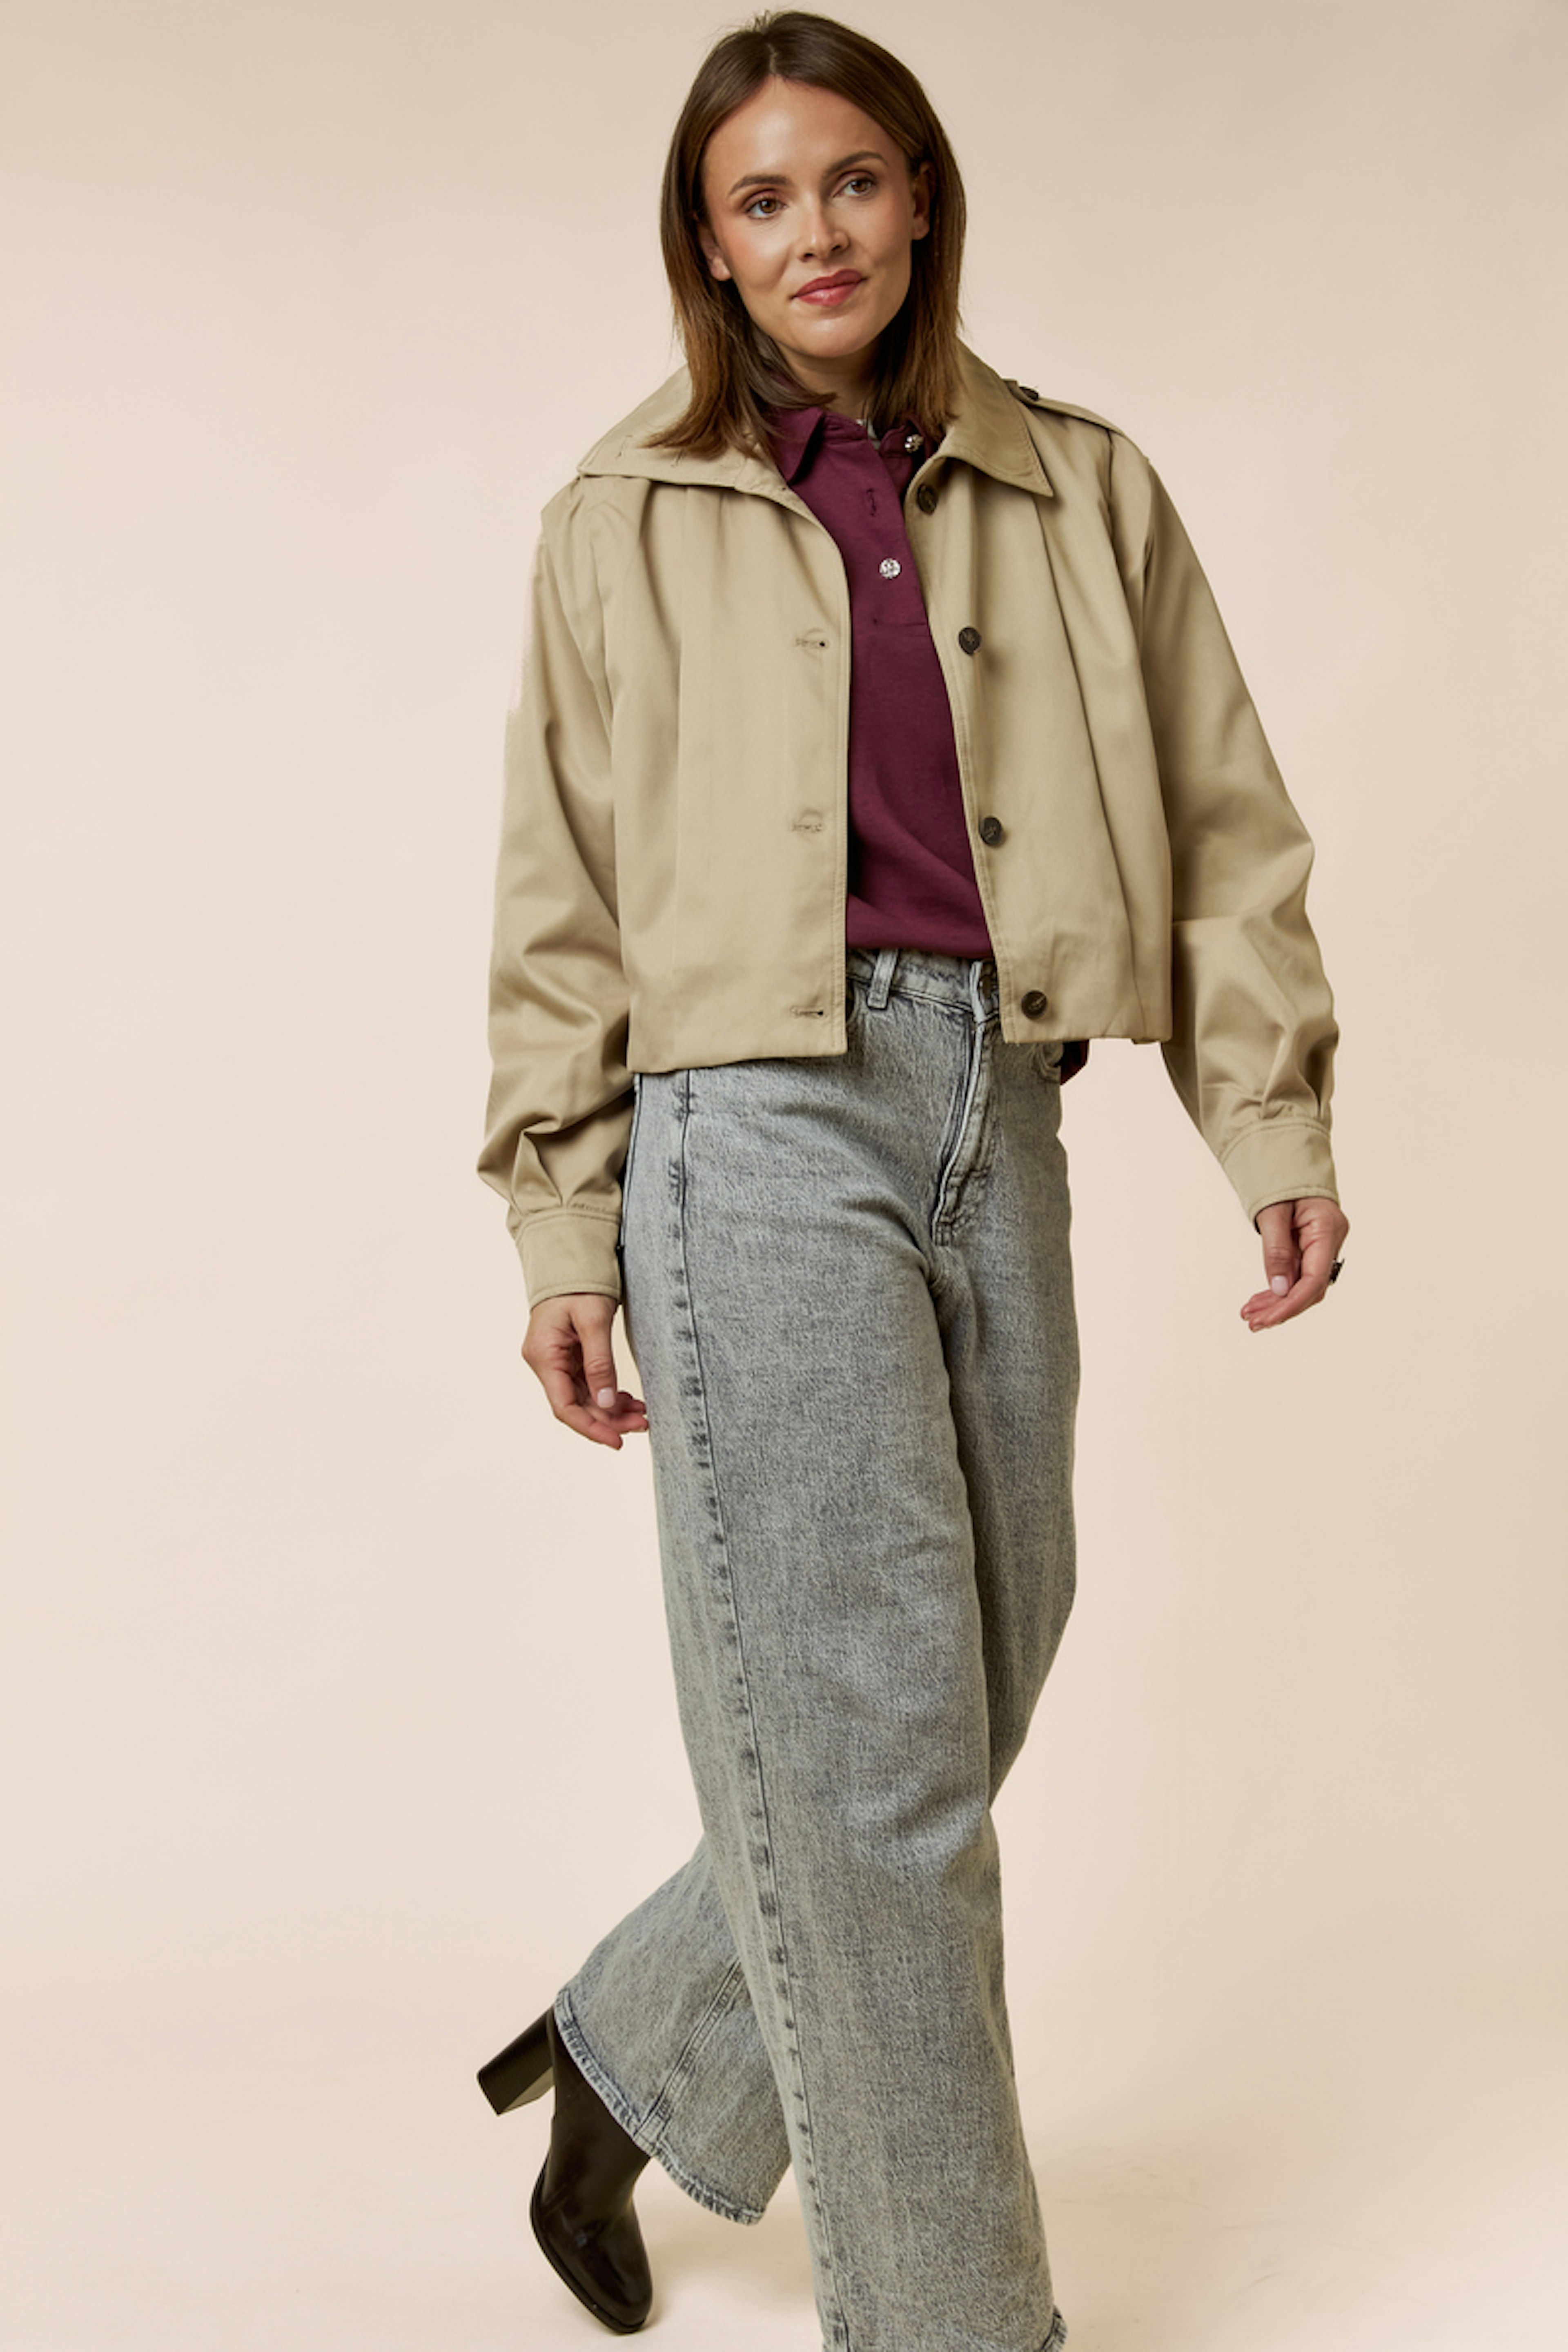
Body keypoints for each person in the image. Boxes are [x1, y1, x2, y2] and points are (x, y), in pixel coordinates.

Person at [473, 11, 1350, 2348]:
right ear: (709, 249)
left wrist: (1266, 1113)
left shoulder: (1083, 486)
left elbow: (1228, 817)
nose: (815, 233)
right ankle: (957, 2318)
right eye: (760, 201)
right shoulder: (621, 515)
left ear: (924, 195)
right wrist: (562, 1217)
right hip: (748, 1125)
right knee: (878, 1767)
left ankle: (636, 2047)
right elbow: (561, 897)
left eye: (850, 180)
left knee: (972, 1667)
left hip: (1004, 1100)